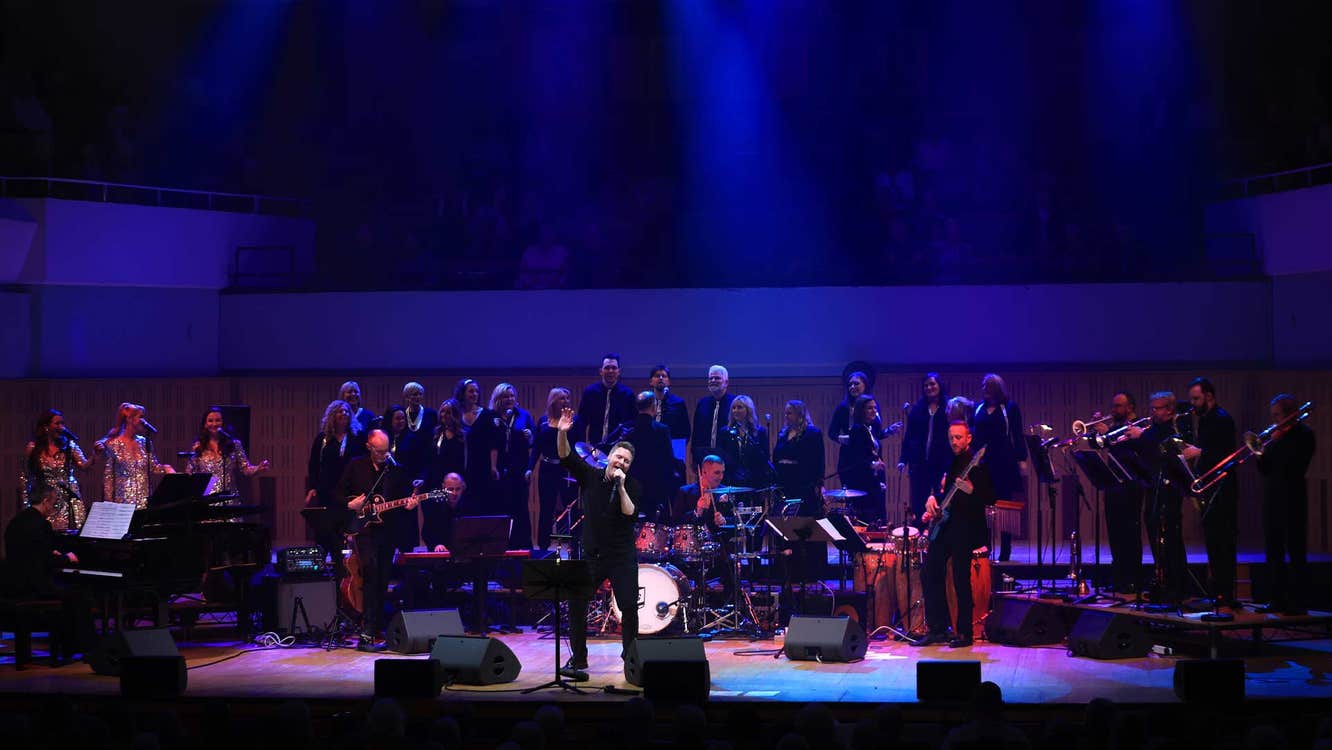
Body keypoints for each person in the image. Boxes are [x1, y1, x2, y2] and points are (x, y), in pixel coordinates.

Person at [556, 406, 640, 680]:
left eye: (626, 461)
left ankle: (631, 659)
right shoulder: (590, 475)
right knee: (576, 602)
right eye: (619, 457)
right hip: (593, 555)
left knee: (629, 607)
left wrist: (622, 486)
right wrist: (562, 433)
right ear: (609, 456)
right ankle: (579, 658)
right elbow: (565, 456)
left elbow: (629, 513)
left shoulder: (633, 485)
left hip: (621, 556)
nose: (621, 463)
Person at [339, 429, 421, 651]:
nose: (385, 455)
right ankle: (367, 629)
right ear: (369, 447)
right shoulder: (355, 466)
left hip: (387, 532)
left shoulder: (396, 470)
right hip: (363, 532)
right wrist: (350, 504)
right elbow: (337, 493)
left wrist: (410, 505)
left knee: (383, 578)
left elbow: (405, 501)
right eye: (380, 451)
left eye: (387, 451)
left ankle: (375, 628)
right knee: (370, 570)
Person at [915, 421, 994, 648]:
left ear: (969, 438)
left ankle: (965, 633)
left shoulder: (978, 465)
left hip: (965, 528)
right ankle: (938, 629)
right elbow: (947, 495)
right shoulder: (950, 461)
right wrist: (933, 501)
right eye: (951, 438)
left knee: (960, 578)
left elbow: (989, 497)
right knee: (929, 572)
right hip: (946, 526)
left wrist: (971, 490)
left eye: (958, 437)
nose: (954, 441)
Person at [1, 487, 98, 661]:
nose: (53, 508)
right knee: (80, 595)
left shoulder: (16, 521)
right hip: (34, 585)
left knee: (72, 592)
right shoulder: (41, 524)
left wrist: (50, 553)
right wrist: (67, 558)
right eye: (53, 503)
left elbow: (31, 553)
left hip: (14, 582)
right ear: (45, 501)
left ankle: (69, 644)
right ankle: (84, 648)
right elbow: (45, 562)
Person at [1124, 392, 1193, 604]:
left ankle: (1177, 586)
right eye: (1152, 408)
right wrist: (1124, 439)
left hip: (1170, 488)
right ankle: (1162, 581)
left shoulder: (1174, 427)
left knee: (1170, 537)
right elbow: (1143, 449)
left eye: (1157, 408)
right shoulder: (1153, 429)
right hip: (1153, 487)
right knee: (1155, 536)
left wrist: (1141, 436)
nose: (1153, 412)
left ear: (1170, 409)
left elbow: (1164, 448)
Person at [1256, 394, 1316, 615]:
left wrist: (1278, 442)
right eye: (1272, 415)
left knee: (1295, 551)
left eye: (1277, 415)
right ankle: (1277, 599)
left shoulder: (1304, 434)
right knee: (1273, 552)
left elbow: (1294, 466)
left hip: (1293, 499)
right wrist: (1261, 453)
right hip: (1272, 499)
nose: (1274, 420)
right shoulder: (1275, 437)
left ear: (1290, 414)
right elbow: (1265, 470)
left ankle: (1298, 602)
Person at [1186, 377, 1239, 607]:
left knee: (1223, 543)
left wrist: (1199, 453)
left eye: (1196, 399)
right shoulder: (1206, 420)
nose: (1193, 404)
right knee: (1213, 543)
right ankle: (1217, 592)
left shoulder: (1222, 419)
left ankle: (1225, 594)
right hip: (1209, 488)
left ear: (1209, 396)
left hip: (1223, 490)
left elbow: (1227, 455)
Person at [305, 400, 366, 572]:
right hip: (326, 491)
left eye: (347, 411)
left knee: (346, 532)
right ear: (332, 415)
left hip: (349, 492)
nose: (344, 414)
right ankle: (320, 571)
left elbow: (363, 463)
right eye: (340, 411)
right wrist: (313, 487)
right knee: (325, 532)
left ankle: (346, 569)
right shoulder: (322, 439)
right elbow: (313, 465)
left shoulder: (357, 437)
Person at [972, 374, 1028, 561]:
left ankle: (1005, 550)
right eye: (983, 385)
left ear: (997, 388)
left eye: (988, 386)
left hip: (1004, 464)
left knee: (1004, 508)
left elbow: (1017, 434)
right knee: (983, 509)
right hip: (983, 466)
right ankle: (985, 548)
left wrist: (1021, 458)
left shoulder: (1010, 408)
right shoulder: (978, 408)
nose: (985, 389)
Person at [1093, 392, 1145, 593]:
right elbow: (1100, 445)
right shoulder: (1116, 427)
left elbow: (1130, 448)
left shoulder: (1139, 425)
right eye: (1113, 406)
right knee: (1115, 533)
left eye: (1118, 406)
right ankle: (1119, 577)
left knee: (1129, 533)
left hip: (1131, 485)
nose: (1113, 410)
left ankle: (1133, 578)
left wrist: (1109, 433)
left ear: (1130, 407)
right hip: (1114, 484)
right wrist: (1098, 432)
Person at [611, 391, 677, 522]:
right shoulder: (662, 429)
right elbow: (668, 459)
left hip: (631, 484)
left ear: (637, 407)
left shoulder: (627, 429)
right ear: (653, 406)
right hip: (655, 486)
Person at [22, 409, 92, 531]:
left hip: (68, 499)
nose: (61, 427)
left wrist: (95, 456)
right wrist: (26, 504)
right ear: (46, 426)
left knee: (70, 535)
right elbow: (26, 477)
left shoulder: (69, 446)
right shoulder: (33, 448)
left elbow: (83, 465)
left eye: (62, 423)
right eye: (57, 423)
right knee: (47, 533)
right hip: (47, 499)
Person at [898, 374, 952, 526]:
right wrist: (903, 459)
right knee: (918, 501)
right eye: (926, 385)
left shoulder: (948, 408)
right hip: (920, 463)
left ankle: (939, 534)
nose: (929, 387)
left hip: (941, 463)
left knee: (941, 499)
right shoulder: (918, 409)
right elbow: (909, 436)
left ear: (939, 385)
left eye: (932, 384)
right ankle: (920, 533)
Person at [185, 406, 270, 502]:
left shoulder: (234, 444)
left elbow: (245, 469)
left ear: (223, 423)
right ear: (205, 424)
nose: (214, 424)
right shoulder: (198, 446)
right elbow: (190, 472)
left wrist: (257, 468)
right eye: (210, 421)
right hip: (207, 500)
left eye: (218, 420)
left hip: (229, 498)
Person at [528, 388, 577, 550]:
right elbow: (536, 447)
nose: (566, 401)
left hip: (566, 469)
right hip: (547, 468)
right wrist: (530, 468)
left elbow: (577, 447)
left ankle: (572, 547)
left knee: (570, 508)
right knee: (546, 509)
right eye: (562, 398)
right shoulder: (543, 421)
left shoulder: (573, 420)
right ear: (553, 401)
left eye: (567, 398)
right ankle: (543, 547)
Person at [100, 402, 174, 508]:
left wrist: (165, 468)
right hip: (123, 503)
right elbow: (108, 477)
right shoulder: (114, 444)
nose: (143, 421)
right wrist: (109, 503)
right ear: (130, 419)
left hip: (144, 501)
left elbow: (153, 467)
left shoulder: (144, 442)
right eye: (141, 417)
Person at [490, 383, 535, 549]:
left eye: (512, 396)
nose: (509, 399)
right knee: (500, 507)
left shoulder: (523, 415)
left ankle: (524, 547)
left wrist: (530, 437)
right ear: (498, 399)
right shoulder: (492, 416)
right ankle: (502, 547)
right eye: (505, 396)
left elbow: (534, 443)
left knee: (521, 508)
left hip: (519, 469)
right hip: (499, 469)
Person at [383, 404, 429, 552]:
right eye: (397, 418)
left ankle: (406, 562)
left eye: (403, 418)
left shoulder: (412, 439)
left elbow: (422, 463)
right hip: (386, 490)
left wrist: (420, 479)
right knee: (387, 534)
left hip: (406, 489)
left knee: (405, 532)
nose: (401, 421)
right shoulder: (384, 438)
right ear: (390, 420)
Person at [839, 395, 888, 523]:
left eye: (875, 408)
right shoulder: (857, 429)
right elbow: (856, 458)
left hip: (873, 481)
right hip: (862, 483)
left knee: (878, 519)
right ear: (861, 410)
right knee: (868, 519)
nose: (874, 411)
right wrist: (872, 465)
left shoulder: (870, 429)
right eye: (869, 408)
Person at [772, 400, 825, 517]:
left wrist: (819, 484)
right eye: (785, 413)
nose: (786, 416)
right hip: (784, 482)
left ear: (800, 414)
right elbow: (776, 456)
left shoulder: (812, 433)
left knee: (802, 515)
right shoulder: (783, 433)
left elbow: (819, 461)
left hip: (802, 483)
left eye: (789, 413)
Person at [575, 353, 636, 448]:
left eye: (614, 368)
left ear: (619, 371)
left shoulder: (627, 394)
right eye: (607, 368)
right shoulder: (590, 392)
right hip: (595, 445)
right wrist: (582, 446)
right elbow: (582, 421)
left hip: (618, 446)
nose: (610, 371)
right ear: (601, 371)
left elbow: (632, 422)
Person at [718, 395, 773, 489]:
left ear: (748, 410)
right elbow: (722, 456)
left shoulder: (760, 432)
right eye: (733, 408)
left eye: (739, 407)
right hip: (731, 480)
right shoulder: (725, 432)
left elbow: (765, 457)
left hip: (754, 480)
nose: (735, 410)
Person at [691, 365, 736, 469]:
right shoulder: (702, 403)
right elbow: (696, 434)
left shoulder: (734, 404)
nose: (713, 381)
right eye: (711, 378)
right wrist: (695, 459)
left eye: (717, 378)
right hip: (704, 459)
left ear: (726, 382)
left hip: (728, 461)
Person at [648, 364, 691, 443]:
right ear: (651, 381)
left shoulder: (678, 403)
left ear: (669, 382)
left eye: (664, 376)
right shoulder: (645, 402)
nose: (661, 378)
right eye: (657, 376)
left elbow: (685, 431)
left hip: (671, 446)